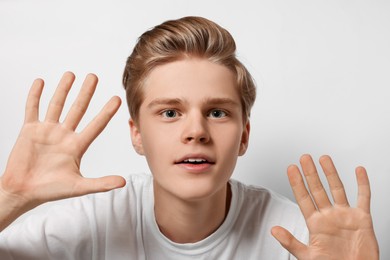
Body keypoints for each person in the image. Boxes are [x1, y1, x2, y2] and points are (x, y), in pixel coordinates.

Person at [0, 16, 379, 259]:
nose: (196, 132)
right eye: (170, 113)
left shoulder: (303, 237)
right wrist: (10, 197)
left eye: (217, 112)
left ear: (244, 136)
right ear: (137, 135)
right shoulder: (92, 221)